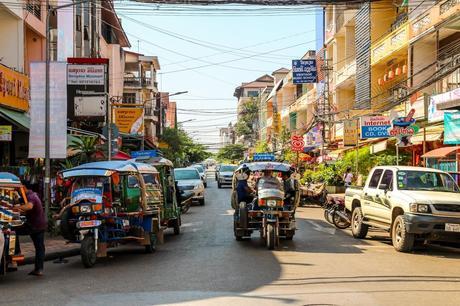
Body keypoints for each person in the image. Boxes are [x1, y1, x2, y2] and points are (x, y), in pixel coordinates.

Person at [15, 183, 47, 276]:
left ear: (23, 188)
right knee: (40, 248)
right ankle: (39, 269)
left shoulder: (31, 196)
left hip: (36, 225)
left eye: (18, 190)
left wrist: (16, 208)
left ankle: (17, 251)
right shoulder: (29, 195)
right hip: (36, 224)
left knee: (14, 230)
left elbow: (29, 206)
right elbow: (19, 201)